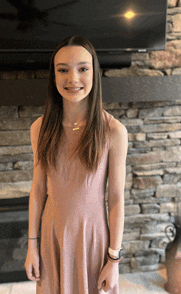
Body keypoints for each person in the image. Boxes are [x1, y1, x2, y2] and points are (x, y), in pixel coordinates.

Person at [24, 36, 128, 294]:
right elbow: (38, 189)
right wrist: (32, 246)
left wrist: (113, 259)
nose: (73, 79)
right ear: (54, 75)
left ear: (94, 73)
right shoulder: (40, 128)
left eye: (83, 69)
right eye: (63, 70)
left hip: (91, 239)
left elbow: (115, 199)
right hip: (51, 237)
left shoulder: (113, 131)